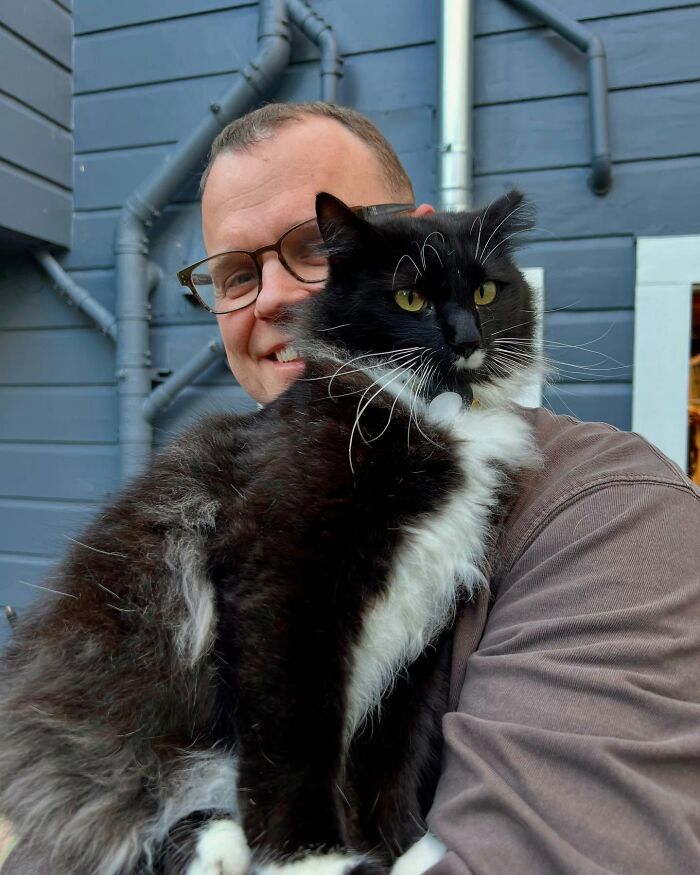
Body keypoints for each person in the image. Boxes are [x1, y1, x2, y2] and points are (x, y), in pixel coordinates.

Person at [194, 101, 700, 874]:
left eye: (315, 247)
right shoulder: (208, 493)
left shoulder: (612, 511)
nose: (271, 299)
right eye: (236, 273)